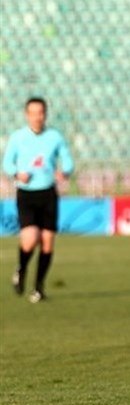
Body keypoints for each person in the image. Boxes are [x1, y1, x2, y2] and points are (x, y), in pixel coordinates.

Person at [2, 96, 74, 304]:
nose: (37, 117)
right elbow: (7, 163)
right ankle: (21, 269)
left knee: (48, 242)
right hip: (26, 193)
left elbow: (67, 160)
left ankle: (38, 287)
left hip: (48, 193)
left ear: (45, 114)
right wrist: (17, 173)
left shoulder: (54, 137)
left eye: (40, 113)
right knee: (30, 238)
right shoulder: (18, 138)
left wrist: (64, 171)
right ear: (27, 115)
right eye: (33, 113)